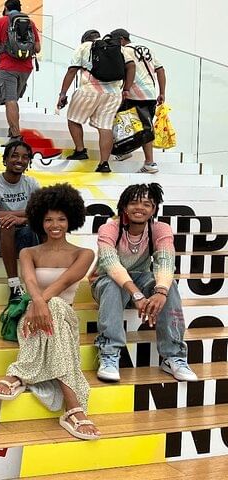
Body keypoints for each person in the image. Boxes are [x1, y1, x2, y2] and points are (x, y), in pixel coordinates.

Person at [0, 184, 99, 441]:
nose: (55, 225)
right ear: (40, 220)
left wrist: (40, 302)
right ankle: (73, 409)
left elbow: (64, 283)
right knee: (50, 306)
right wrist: (37, 303)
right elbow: (29, 281)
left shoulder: (84, 253)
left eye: (61, 219)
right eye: (49, 219)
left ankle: (19, 374)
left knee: (56, 305)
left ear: (71, 220)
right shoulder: (28, 252)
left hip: (62, 319)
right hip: (31, 319)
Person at [90, 183, 198, 383]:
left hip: (142, 278)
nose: (139, 208)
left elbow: (166, 261)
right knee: (112, 284)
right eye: (133, 203)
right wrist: (136, 294)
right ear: (124, 207)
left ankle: (173, 356)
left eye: (147, 204)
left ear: (154, 209)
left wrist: (161, 291)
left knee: (170, 286)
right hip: (107, 281)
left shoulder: (160, 229)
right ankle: (109, 353)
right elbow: (111, 264)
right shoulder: (110, 228)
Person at [57, 29, 136, 173]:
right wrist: (126, 89)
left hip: (89, 91)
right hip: (113, 94)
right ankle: (104, 163)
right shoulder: (116, 47)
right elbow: (131, 66)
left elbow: (72, 71)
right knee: (105, 127)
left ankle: (80, 150)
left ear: (84, 39)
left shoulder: (83, 47)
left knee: (73, 119)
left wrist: (63, 94)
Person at [0, 140, 40, 301]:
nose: (20, 160)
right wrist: (24, 215)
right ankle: (14, 286)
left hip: (21, 235)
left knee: (48, 224)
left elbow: (41, 213)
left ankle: (48, 277)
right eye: (15, 156)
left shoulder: (31, 183)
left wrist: (21, 220)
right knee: (7, 223)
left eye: (25, 157)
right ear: (5, 160)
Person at [111, 28, 166, 173]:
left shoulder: (124, 51)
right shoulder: (146, 49)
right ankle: (125, 151)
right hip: (151, 94)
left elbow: (128, 69)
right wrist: (162, 92)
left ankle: (149, 162)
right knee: (140, 126)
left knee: (137, 126)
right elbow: (160, 70)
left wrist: (126, 89)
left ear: (121, 40)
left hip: (134, 94)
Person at [0, 0, 41, 145]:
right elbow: (37, 48)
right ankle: (13, 130)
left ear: (6, 8)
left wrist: (5, 47)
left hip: (7, 67)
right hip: (26, 68)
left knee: (10, 100)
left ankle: (16, 137)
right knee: (14, 100)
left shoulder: (0, 22)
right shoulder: (30, 23)